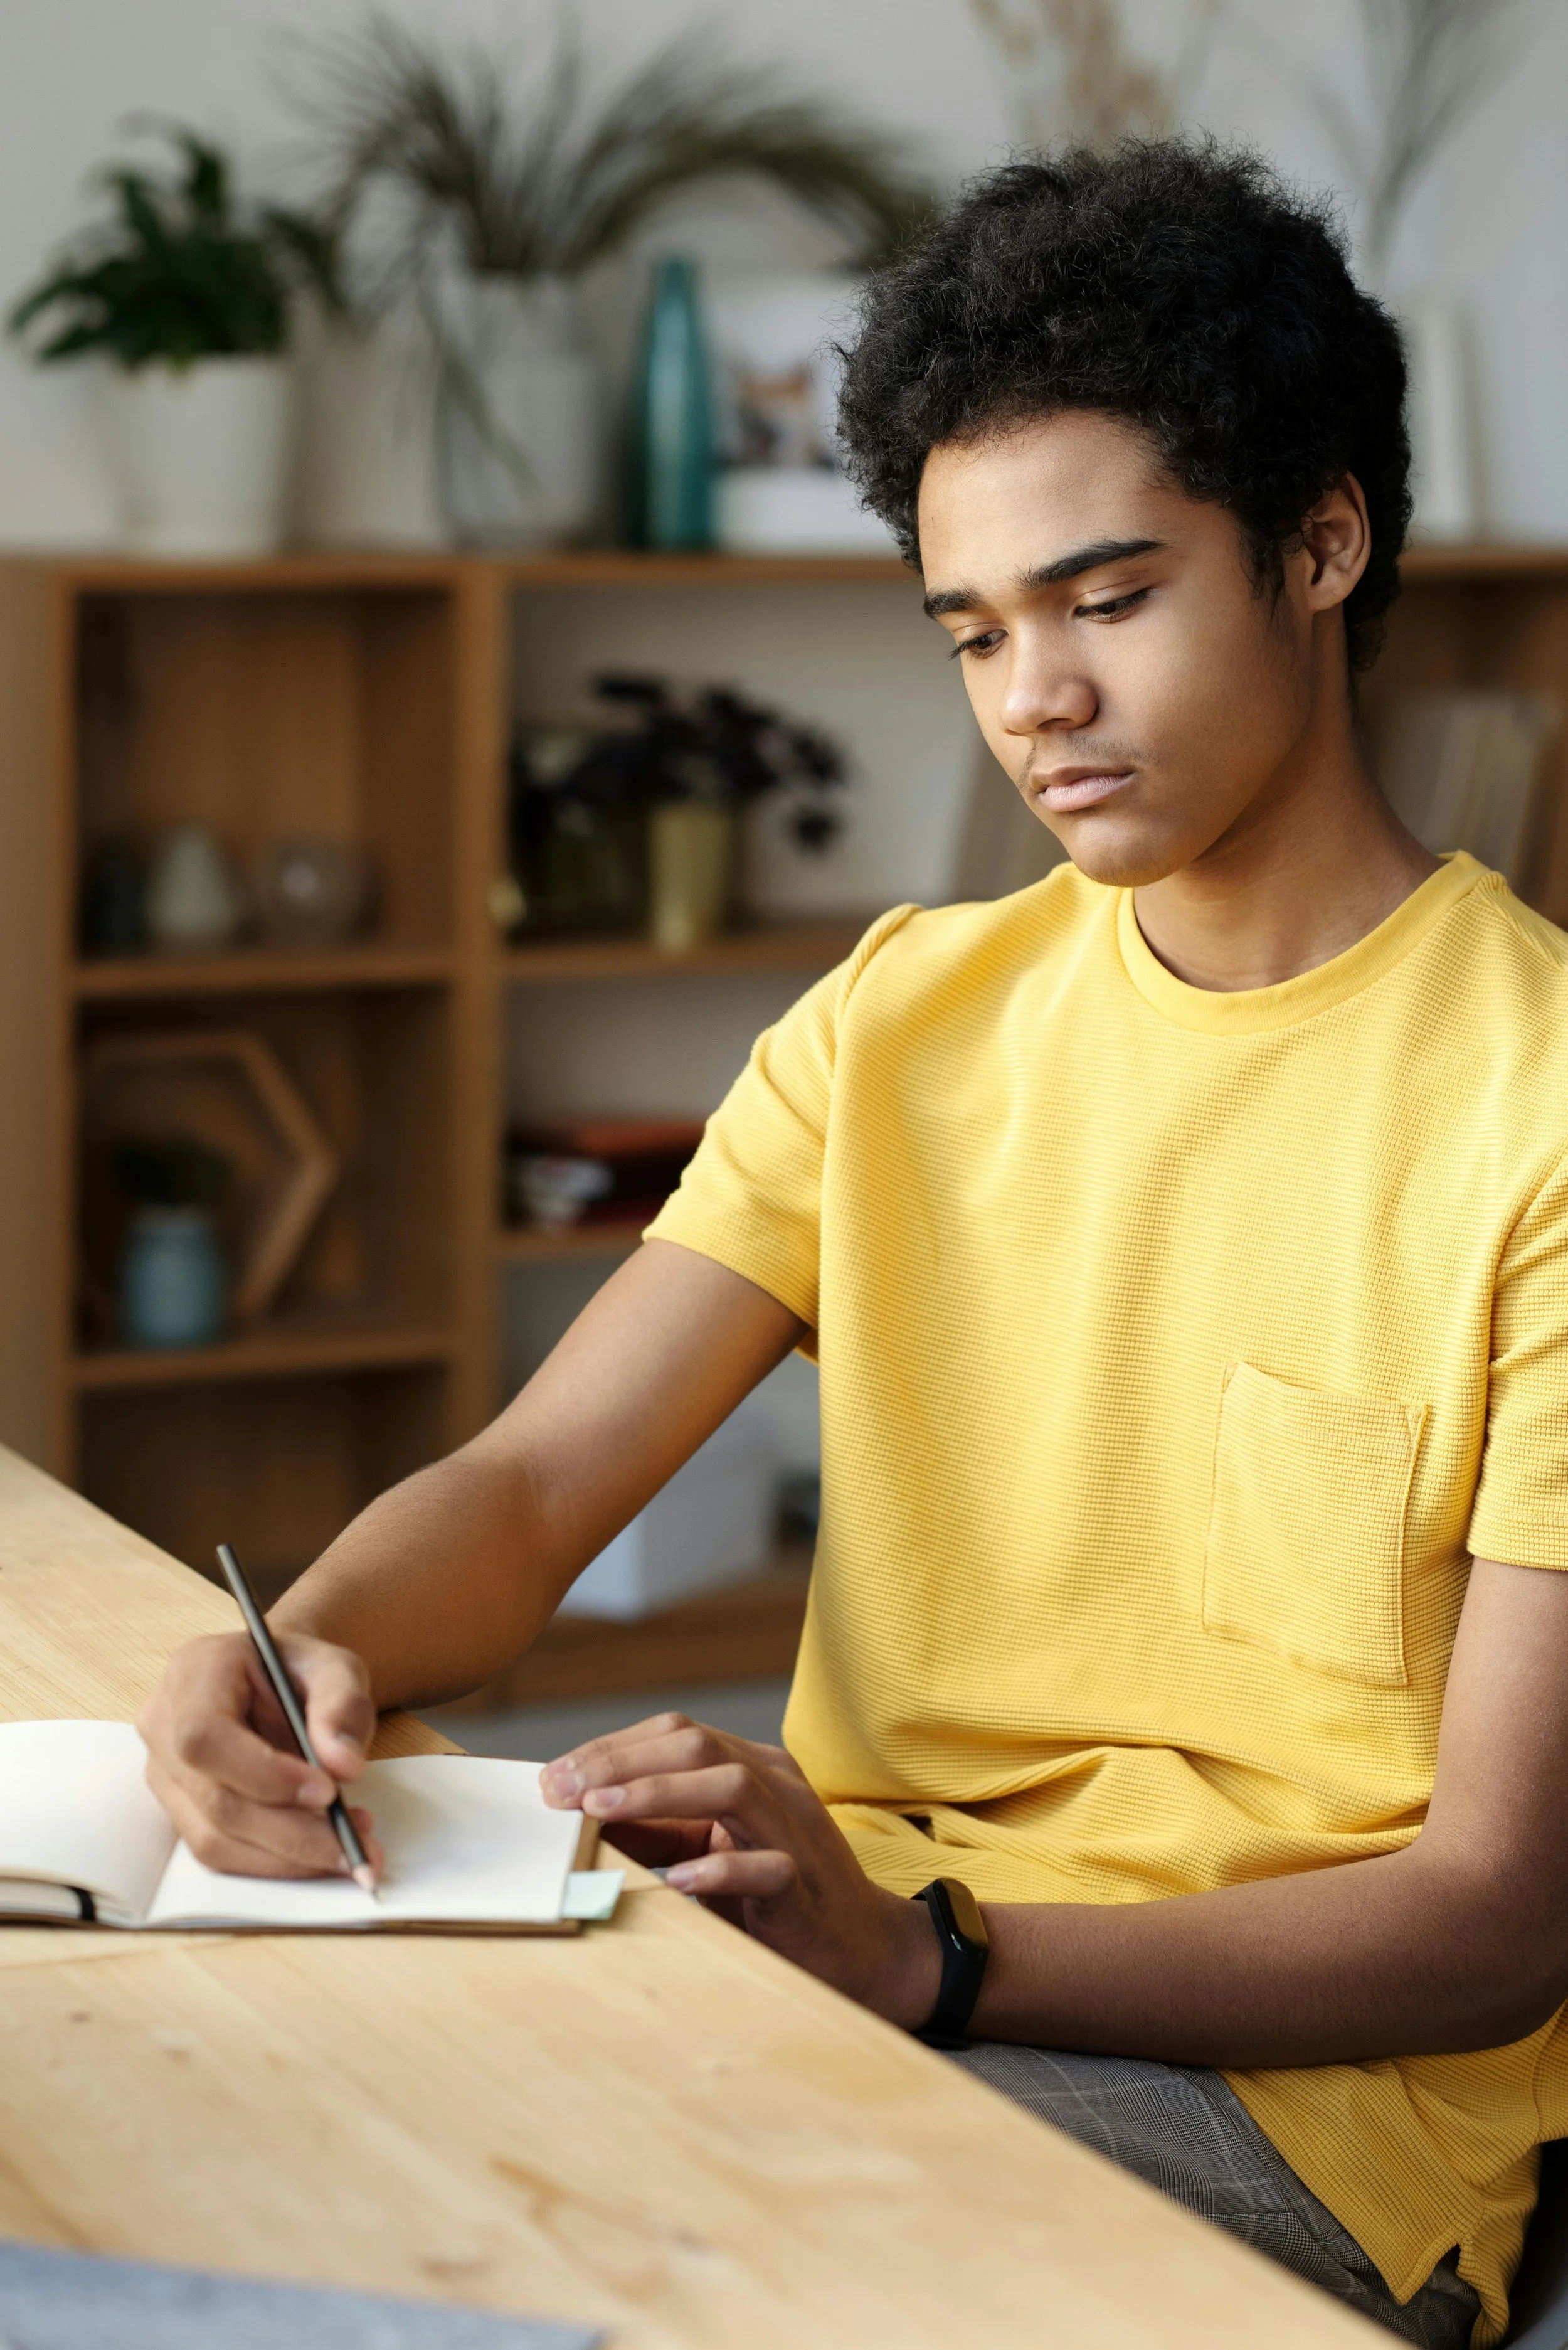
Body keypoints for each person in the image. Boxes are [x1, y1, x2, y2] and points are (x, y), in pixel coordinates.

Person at [137, 141, 1568, 2347]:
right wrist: (300, 1648)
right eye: (976, 629)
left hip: (1295, 2105)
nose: (1033, 702)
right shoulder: (899, 1015)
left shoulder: (1531, 1095)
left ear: (1320, 542)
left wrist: (935, 1950)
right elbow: (529, 1496)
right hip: (833, 1958)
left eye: (1106, 599)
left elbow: (1493, 1914)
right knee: (272, 2168)